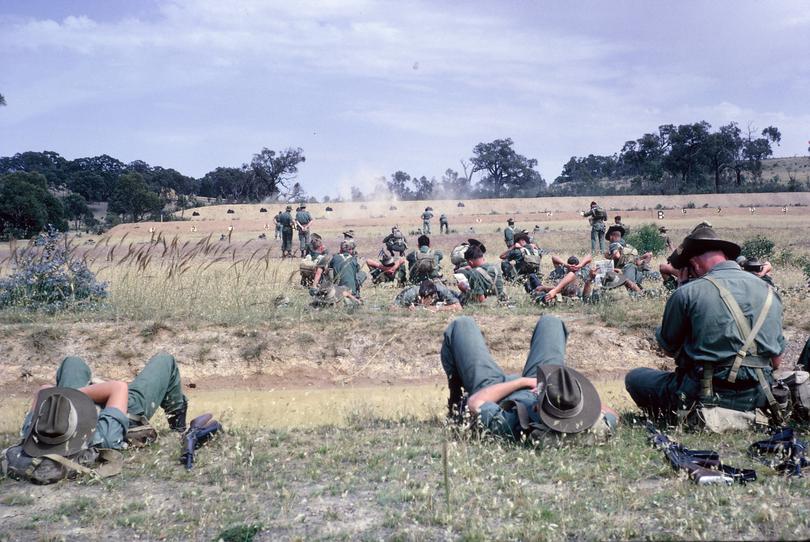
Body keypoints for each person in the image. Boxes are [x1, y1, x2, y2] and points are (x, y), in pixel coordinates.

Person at [625, 224, 786, 424]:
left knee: (635, 378)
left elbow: (668, 348)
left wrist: (682, 288)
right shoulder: (769, 291)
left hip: (705, 395)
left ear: (694, 265)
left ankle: (676, 417)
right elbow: (776, 361)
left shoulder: (687, 293)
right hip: (758, 397)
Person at [442, 315, 617, 442]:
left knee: (462, 325)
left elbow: (476, 402)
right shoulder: (590, 424)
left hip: (494, 389)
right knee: (551, 322)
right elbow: (613, 415)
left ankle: (455, 404)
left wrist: (522, 382)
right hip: (545, 385)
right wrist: (572, 396)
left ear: (537, 407)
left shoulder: (515, 424)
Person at [18, 353, 188, 454]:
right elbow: (118, 389)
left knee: (72, 362)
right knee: (165, 360)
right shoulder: (103, 439)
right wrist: (66, 396)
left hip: (70, 406)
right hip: (117, 407)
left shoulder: (34, 436)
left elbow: (43, 391)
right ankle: (178, 425)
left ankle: (81, 392)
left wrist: (63, 397)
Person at [529, 255, 595, 303]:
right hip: (557, 291)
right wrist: (566, 265)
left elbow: (589, 257)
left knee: (571, 275)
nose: (572, 268)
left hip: (564, 292)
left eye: (574, 266)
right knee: (532, 277)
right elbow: (554, 257)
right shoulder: (563, 270)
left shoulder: (582, 271)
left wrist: (580, 265)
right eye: (571, 266)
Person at [605, 225, 647, 292]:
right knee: (637, 290)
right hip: (637, 273)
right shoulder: (629, 246)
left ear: (611, 236)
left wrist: (608, 256)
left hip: (626, 271)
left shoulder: (614, 244)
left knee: (632, 292)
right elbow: (638, 262)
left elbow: (617, 256)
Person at [393, 279, 461, 311]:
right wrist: (408, 309)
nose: (422, 301)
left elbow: (458, 307)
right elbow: (392, 308)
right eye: (421, 297)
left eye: (425, 298)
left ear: (433, 296)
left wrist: (438, 308)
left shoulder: (442, 291)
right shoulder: (411, 293)